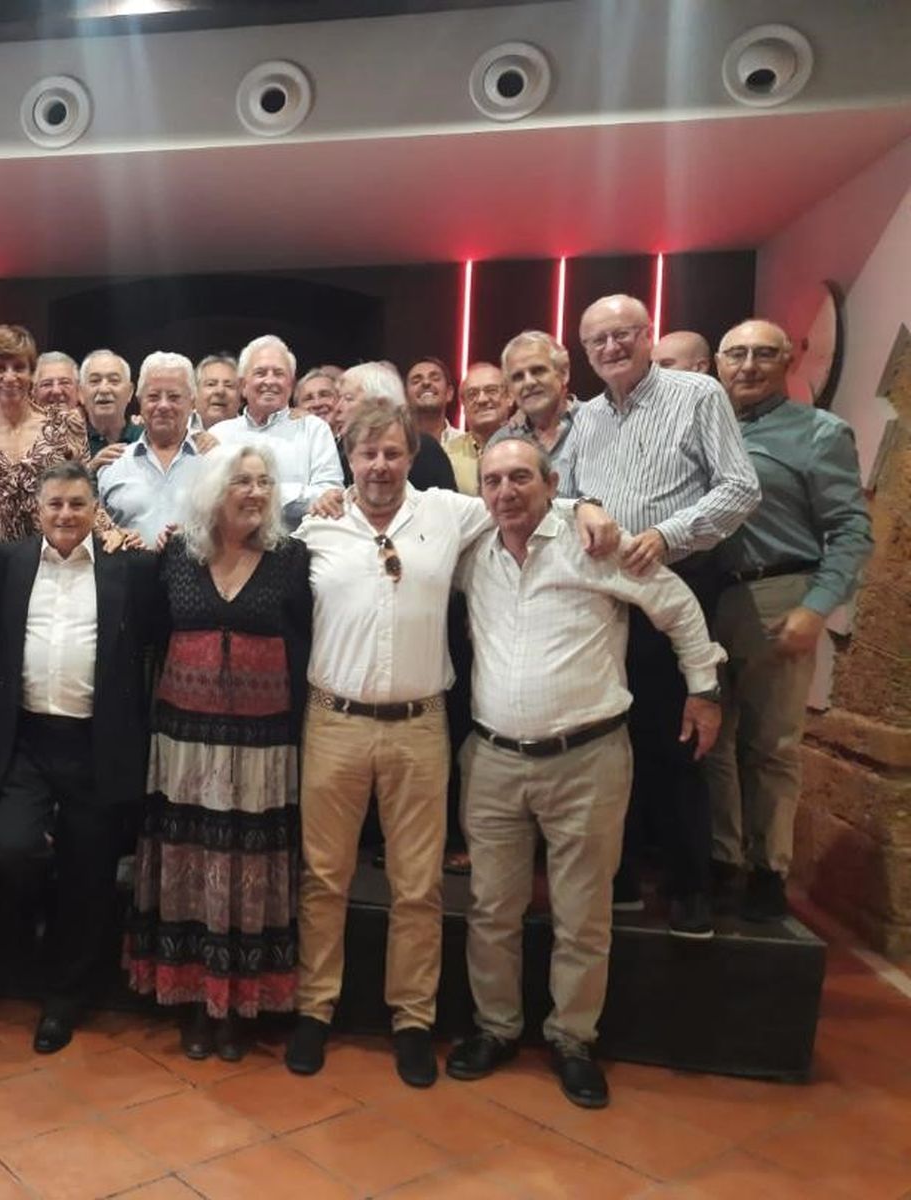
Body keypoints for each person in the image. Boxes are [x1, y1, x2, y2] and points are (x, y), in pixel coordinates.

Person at [287, 400, 618, 1085]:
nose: (380, 466)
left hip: (419, 726)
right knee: (324, 877)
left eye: (392, 453)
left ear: (413, 455)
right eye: (367, 453)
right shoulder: (314, 528)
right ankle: (314, 1009)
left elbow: (529, 498)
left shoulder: (450, 512)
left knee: (418, 885)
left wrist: (587, 505)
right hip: (333, 722)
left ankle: (412, 1018)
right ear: (348, 459)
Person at [447, 431, 724, 1109]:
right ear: (479, 492)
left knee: (583, 914)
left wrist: (704, 689)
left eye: (521, 478)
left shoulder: (592, 544)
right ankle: (497, 1028)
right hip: (492, 760)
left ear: (550, 484)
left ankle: (572, 1038)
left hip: (589, 759)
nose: (506, 492)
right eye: (493, 481)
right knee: (491, 909)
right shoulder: (470, 551)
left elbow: (679, 609)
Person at [564, 293, 760, 936]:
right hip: (603, 600)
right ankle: (620, 877)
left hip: (674, 581)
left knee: (676, 739)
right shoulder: (586, 417)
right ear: (586, 351)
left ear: (647, 334)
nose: (611, 348)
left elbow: (739, 488)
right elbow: (564, 491)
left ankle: (689, 885)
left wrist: (670, 534)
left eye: (623, 334)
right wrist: (584, 506)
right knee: (607, 736)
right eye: (598, 340)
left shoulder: (696, 396)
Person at [126, 443, 312, 1062]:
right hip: (185, 745)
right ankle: (193, 1001)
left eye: (265, 481)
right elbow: (150, 633)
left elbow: (307, 642)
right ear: (214, 490)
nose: (255, 492)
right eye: (242, 481)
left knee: (249, 869)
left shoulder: (292, 558)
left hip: (262, 749)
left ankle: (241, 1000)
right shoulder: (178, 554)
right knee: (189, 861)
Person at [0, 462, 162, 1054]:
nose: (65, 515)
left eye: (77, 505)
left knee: (88, 877)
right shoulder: (7, 563)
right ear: (38, 510)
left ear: (95, 511)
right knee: (13, 848)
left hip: (95, 743)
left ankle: (64, 997)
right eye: (55, 504)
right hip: (27, 741)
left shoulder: (128, 569)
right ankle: (29, 943)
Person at [705, 319, 873, 921]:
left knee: (771, 743)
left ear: (787, 361)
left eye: (762, 354)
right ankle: (725, 858)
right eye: (736, 354)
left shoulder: (819, 433)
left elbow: (851, 530)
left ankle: (768, 871)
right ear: (718, 363)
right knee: (712, 740)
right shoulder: (707, 427)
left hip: (779, 591)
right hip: (706, 599)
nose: (747, 366)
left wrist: (816, 606)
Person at [0, 324, 92, 544]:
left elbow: (87, 494)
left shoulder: (66, 424)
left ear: (32, 374)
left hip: (53, 559)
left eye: (19, 367)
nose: (10, 377)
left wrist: (113, 534)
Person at [209, 334, 343, 526]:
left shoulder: (314, 430)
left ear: (291, 385)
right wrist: (297, 494)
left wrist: (268, 492)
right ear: (243, 386)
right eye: (261, 373)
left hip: (299, 547)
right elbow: (210, 499)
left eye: (279, 373)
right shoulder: (219, 435)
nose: (270, 381)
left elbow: (330, 495)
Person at [98, 352, 208, 544]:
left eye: (174, 397)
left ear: (192, 402)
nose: (163, 405)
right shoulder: (112, 464)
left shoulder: (213, 462)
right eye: (153, 396)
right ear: (140, 403)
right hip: (128, 573)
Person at [336, 363, 456, 492]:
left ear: (380, 403)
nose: (338, 408)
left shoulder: (424, 448)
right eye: (369, 454)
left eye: (348, 399)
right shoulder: (339, 449)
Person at [503, 330, 577, 473]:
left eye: (538, 371)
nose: (528, 382)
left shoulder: (600, 424)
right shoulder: (501, 441)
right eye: (518, 377)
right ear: (510, 389)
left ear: (563, 373)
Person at [445, 363, 514, 495]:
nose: (482, 399)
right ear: (463, 404)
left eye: (491, 390)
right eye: (472, 394)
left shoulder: (531, 450)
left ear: (510, 397)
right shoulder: (446, 456)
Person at [81, 349, 141, 469]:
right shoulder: (68, 442)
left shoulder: (145, 437)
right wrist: (89, 470)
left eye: (114, 381)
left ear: (130, 392)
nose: (104, 389)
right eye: (95, 381)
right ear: (81, 393)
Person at [405, 357, 464, 445]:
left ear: (449, 393)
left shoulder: (467, 446)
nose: (426, 382)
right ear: (405, 397)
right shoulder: (394, 444)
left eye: (435, 378)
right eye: (416, 381)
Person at [196, 354, 242, 429]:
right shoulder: (177, 428)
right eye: (211, 384)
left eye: (229, 385)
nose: (220, 391)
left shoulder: (254, 435)